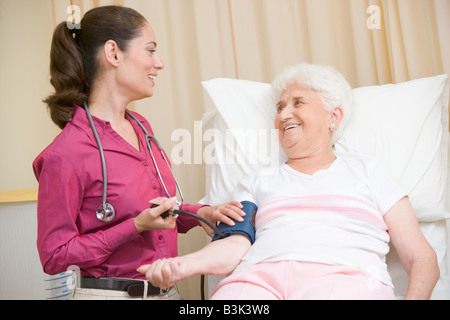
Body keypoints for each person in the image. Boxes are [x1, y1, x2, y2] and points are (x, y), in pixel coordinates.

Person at [138, 63, 440, 300]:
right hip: (257, 281)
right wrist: (185, 265)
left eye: (298, 103)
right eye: (280, 107)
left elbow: (421, 257)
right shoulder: (256, 181)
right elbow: (235, 246)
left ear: (333, 116)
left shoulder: (368, 171)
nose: (285, 114)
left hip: (344, 279)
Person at [33, 5, 244, 300]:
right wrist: (134, 227)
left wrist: (201, 213)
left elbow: (159, 212)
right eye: (150, 50)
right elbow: (55, 256)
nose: (159, 63)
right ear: (113, 53)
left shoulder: (142, 128)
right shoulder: (66, 153)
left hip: (168, 292)